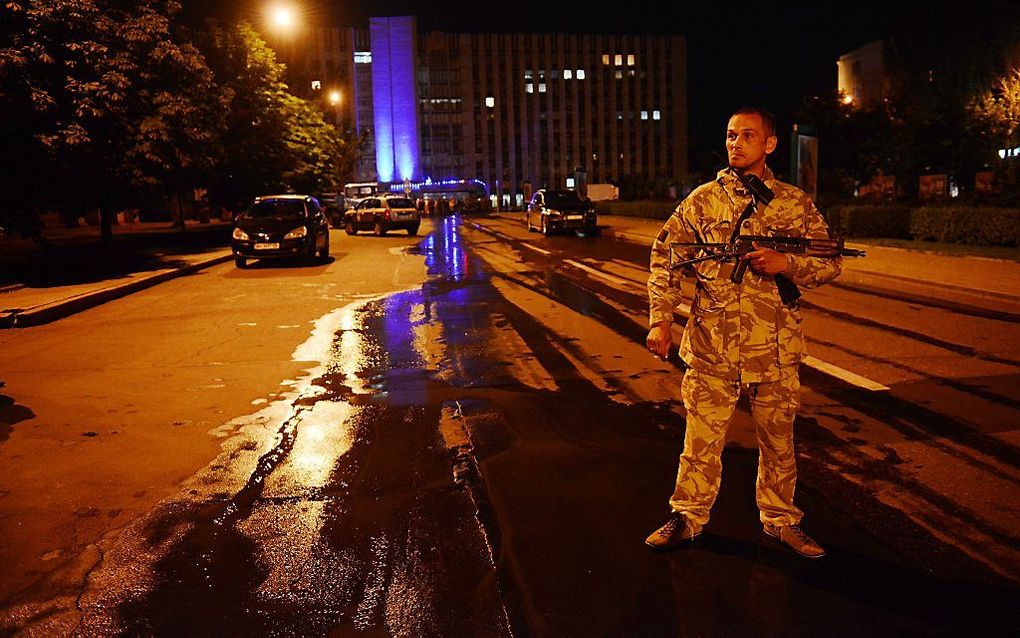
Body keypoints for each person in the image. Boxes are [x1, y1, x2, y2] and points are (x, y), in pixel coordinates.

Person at [644, 107, 842, 559]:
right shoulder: (701, 202)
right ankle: (687, 517)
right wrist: (661, 319)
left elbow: (831, 260)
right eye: (731, 135)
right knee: (699, 445)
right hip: (713, 350)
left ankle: (782, 521)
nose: (735, 143)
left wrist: (785, 263)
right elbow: (665, 258)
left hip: (775, 351)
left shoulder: (794, 203)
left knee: (778, 445)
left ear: (769, 144)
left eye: (747, 135)